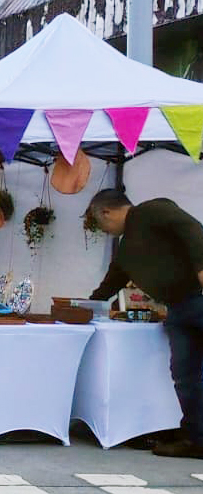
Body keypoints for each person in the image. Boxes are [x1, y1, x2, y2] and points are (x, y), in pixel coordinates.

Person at [87, 188, 203, 458]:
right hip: (178, 309)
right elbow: (111, 283)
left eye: (99, 222)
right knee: (185, 376)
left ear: (106, 212)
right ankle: (196, 438)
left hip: (199, 297)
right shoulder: (127, 248)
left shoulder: (153, 210)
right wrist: (87, 306)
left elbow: (193, 232)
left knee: (190, 375)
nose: (102, 230)